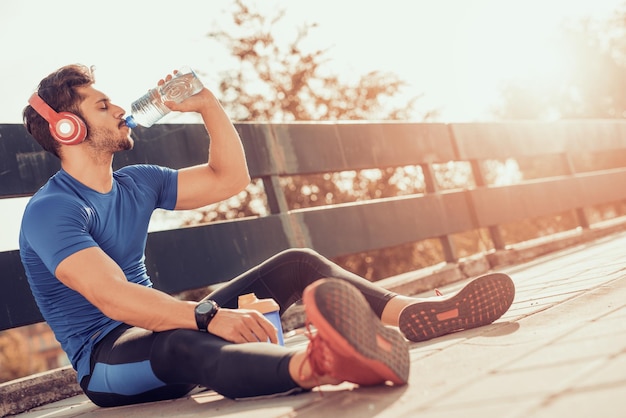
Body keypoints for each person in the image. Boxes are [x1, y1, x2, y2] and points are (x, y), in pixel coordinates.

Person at [20, 64, 516, 407]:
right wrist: (209, 317)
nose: (121, 111)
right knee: (180, 347)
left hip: (167, 327)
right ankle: (314, 366)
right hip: (110, 364)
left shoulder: (137, 181)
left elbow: (228, 179)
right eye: (103, 106)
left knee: (297, 262)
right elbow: (113, 298)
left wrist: (208, 105)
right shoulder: (53, 210)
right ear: (67, 128)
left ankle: (420, 316)